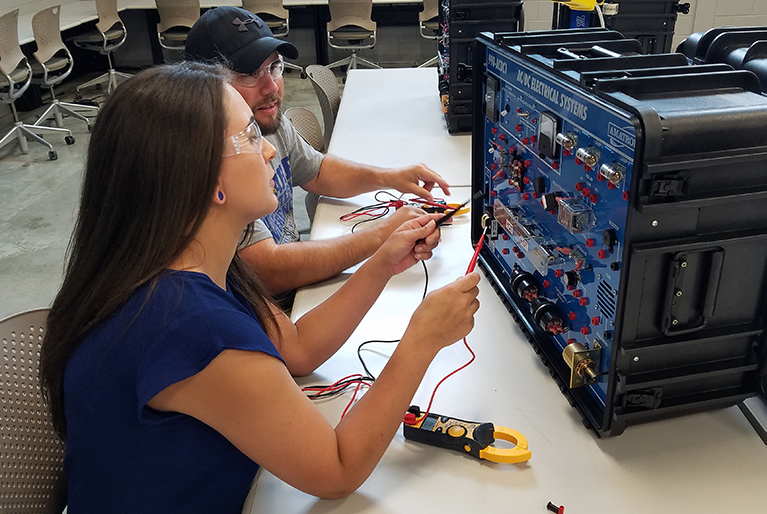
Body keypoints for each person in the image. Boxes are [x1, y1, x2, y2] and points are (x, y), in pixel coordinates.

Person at [39, 62, 480, 513]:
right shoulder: (187, 324)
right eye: (250, 136)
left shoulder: (193, 263)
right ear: (211, 183)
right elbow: (337, 469)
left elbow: (298, 348)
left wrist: (382, 264)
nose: (269, 151)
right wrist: (422, 339)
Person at [184, 6, 452, 304]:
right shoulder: (211, 161)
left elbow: (317, 171)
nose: (272, 86)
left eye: (274, 67)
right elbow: (267, 272)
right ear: (204, 88)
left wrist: (389, 177)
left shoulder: (266, 119)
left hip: (297, 292)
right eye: (249, 74)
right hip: (268, 307)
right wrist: (380, 235)